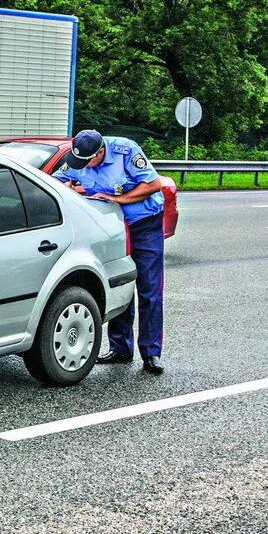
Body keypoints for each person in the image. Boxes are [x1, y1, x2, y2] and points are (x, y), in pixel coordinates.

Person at [54, 129, 166, 374]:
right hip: (112, 229)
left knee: (149, 289)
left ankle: (151, 353)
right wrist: (74, 191)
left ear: (101, 152)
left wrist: (119, 199)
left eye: (88, 162)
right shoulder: (78, 158)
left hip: (143, 223)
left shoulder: (125, 151)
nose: (83, 167)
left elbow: (153, 184)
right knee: (119, 283)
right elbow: (57, 182)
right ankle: (120, 348)